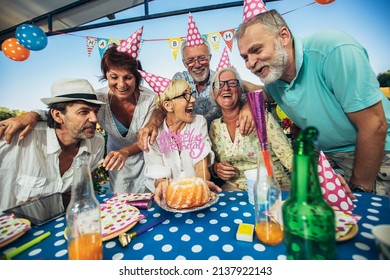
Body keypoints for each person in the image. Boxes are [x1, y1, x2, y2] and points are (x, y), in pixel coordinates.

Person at [235, 6, 390, 195]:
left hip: (374, 152)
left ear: (283, 36)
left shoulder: (334, 49)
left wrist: (359, 189)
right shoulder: (274, 78)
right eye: (245, 57)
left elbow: (375, 125)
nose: (250, 63)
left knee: (366, 216)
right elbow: (262, 94)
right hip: (324, 156)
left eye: (256, 49)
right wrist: (247, 104)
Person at [0, 30, 156, 194]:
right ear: (106, 76)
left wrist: (126, 151)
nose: (121, 84)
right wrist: (33, 115)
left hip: (146, 155)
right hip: (115, 159)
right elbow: (64, 110)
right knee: (122, 201)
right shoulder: (97, 99)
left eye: (128, 77)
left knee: (151, 196)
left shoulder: (150, 99)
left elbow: (153, 131)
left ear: (137, 77)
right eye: (114, 77)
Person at [137, 14, 261, 153]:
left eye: (202, 58)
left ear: (210, 58)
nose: (197, 65)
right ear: (184, 63)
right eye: (190, 60)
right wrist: (151, 124)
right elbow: (163, 106)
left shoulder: (221, 79)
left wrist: (248, 107)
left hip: (223, 148)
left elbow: (257, 93)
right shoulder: (179, 79)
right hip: (191, 149)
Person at [0, 78, 105, 212]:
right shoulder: (15, 138)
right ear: (57, 115)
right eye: (84, 112)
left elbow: (81, 192)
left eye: (96, 111)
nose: (94, 118)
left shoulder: (97, 142)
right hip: (11, 230)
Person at [138, 72, 222, 206]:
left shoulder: (198, 122)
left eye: (191, 94)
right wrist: (162, 186)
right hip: (169, 200)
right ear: (168, 106)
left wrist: (202, 185)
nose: (193, 100)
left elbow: (201, 163)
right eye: (185, 96)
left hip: (196, 195)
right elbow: (159, 175)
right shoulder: (153, 135)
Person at [209, 67, 293, 191]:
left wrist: (310, 181)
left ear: (240, 90)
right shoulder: (215, 127)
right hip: (235, 190)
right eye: (219, 85)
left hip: (274, 187)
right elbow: (213, 163)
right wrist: (216, 168)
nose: (225, 88)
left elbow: (288, 157)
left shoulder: (261, 117)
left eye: (232, 83)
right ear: (213, 94)